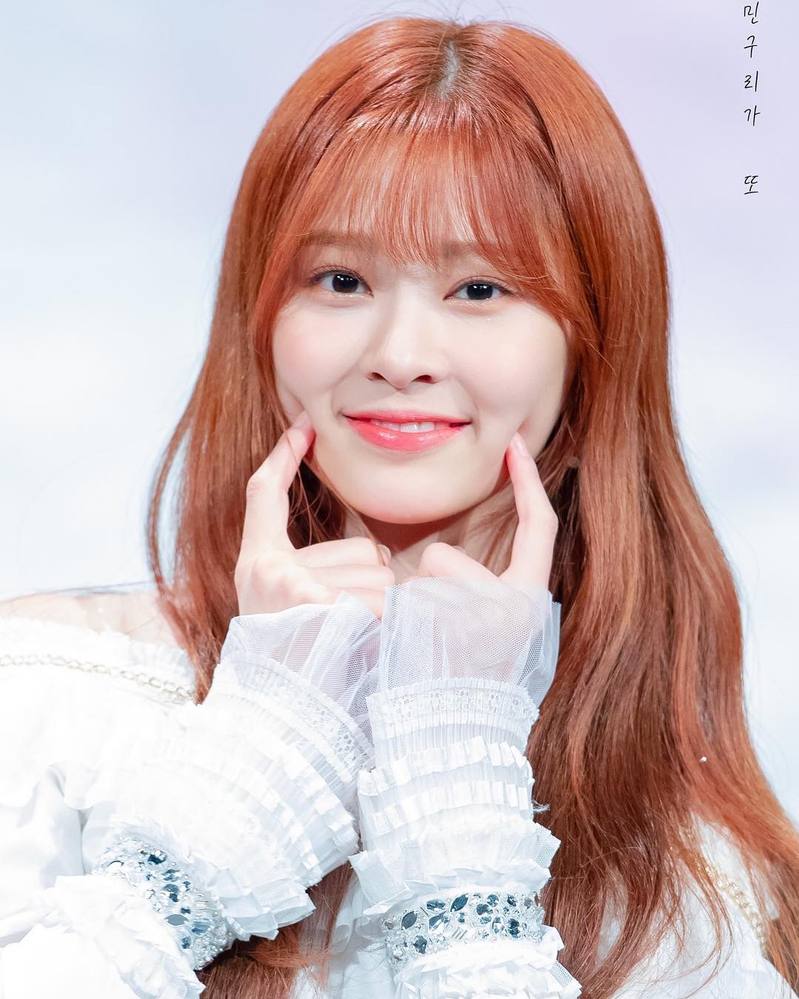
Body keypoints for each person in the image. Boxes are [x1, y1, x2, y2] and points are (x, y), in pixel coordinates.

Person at [1, 12, 797, 999]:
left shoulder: (689, 865)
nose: (400, 353)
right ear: (261, 318)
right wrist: (241, 783)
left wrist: (459, 788)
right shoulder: (51, 699)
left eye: (479, 288)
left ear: (592, 335)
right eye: (340, 280)